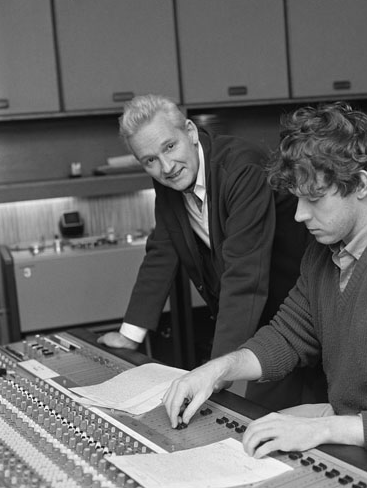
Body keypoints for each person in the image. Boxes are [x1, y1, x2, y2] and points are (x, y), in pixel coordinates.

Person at [163, 101, 367, 472]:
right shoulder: (324, 252)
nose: (300, 214)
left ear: (361, 184)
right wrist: (217, 370)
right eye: (297, 198)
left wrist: (320, 428)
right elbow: (288, 336)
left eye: (313, 198)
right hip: (358, 438)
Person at [98, 94, 324, 411]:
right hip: (261, 321)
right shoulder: (171, 178)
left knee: (281, 417)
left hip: (299, 313)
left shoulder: (241, 167)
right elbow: (162, 250)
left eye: (169, 147)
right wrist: (129, 336)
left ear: (190, 132)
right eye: (150, 160)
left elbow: (244, 273)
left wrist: (215, 370)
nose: (166, 167)